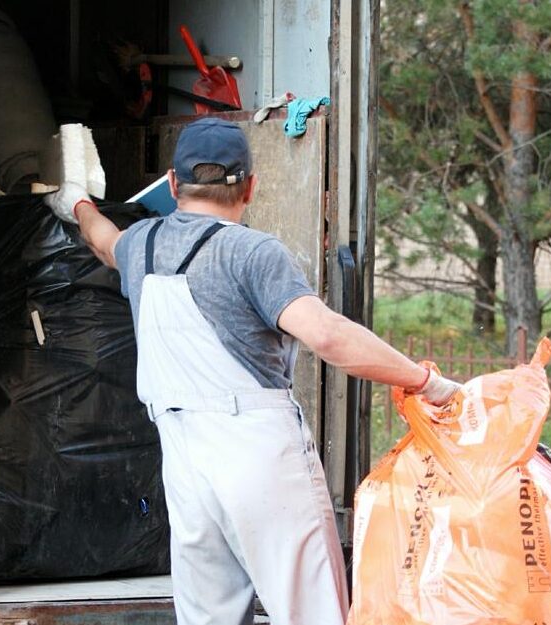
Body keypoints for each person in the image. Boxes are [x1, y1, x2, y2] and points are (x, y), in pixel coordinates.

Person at [45, 117, 459, 625]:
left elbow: (102, 240)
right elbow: (327, 335)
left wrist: (78, 203)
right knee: (314, 614)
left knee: (209, 618)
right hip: (257, 450)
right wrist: (426, 382)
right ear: (250, 187)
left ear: (174, 185)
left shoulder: (141, 245)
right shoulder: (254, 252)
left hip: (182, 455)